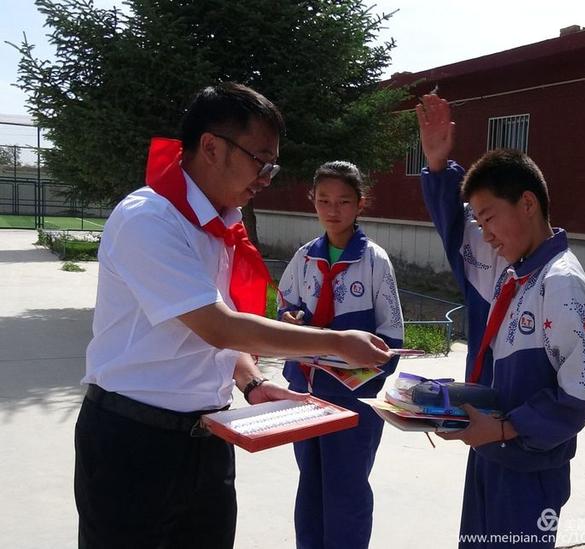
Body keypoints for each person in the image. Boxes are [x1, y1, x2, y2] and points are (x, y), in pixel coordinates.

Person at [74, 83, 393, 549]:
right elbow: (217, 324)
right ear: (211, 147)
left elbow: (219, 337)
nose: (266, 177)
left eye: (272, 164)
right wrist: (337, 341)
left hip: (208, 435)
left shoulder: (218, 223)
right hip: (134, 441)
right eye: (259, 160)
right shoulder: (150, 218)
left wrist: (250, 382)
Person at [416, 93, 585, 547]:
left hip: (528, 471)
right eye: (478, 224)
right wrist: (447, 402)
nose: (485, 235)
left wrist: (503, 429)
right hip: (491, 455)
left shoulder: (562, 285)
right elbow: (504, 378)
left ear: (527, 204)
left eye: (488, 219)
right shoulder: (515, 278)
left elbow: (580, 397)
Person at [278, 160, 404, 549]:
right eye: (324, 200)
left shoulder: (374, 261)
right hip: (307, 392)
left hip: (354, 399)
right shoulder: (303, 258)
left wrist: (369, 368)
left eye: (344, 201)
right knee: (310, 482)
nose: (333, 210)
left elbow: (391, 335)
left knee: (346, 485)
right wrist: (290, 318)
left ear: (360, 204)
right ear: (312, 201)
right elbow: (284, 308)